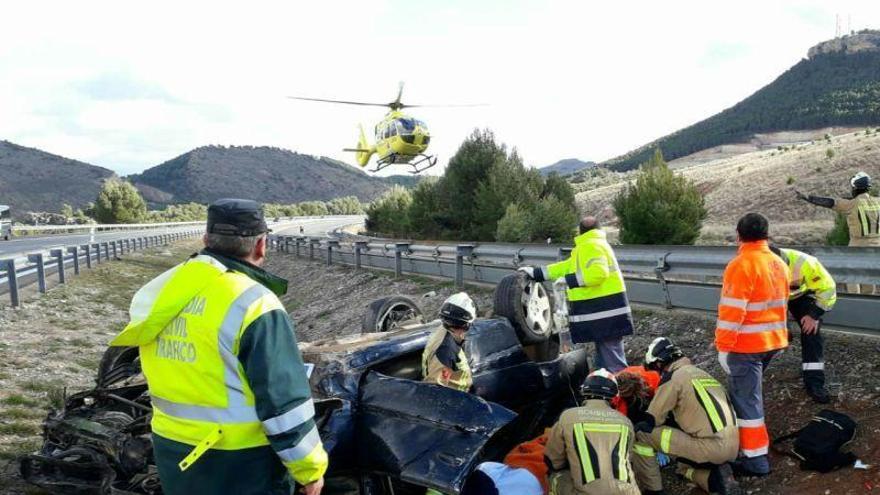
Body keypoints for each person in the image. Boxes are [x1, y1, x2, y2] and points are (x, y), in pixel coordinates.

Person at [110, 199, 327, 495]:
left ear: (206, 239)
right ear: (261, 245)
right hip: (239, 463)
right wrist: (310, 470)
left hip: (172, 450)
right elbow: (284, 404)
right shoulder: (255, 303)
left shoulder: (167, 289)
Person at [715, 212, 789, 477]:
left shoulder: (741, 264)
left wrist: (723, 346)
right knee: (750, 396)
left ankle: (755, 460)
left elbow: (732, 311)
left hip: (746, 346)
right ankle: (752, 447)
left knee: (747, 403)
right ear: (767, 234)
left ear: (738, 235)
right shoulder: (778, 263)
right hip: (772, 342)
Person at [519, 216, 634, 372]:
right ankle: (609, 390)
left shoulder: (591, 245)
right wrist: (538, 273)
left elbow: (598, 273)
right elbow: (567, 267)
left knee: (614, 363)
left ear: (580, 231)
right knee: (606, 358)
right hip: (604, 313)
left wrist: (568, 281)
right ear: (599, 229)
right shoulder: (590, 245)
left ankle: (625, 390)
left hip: (605, 311)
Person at [631, 338, 740, 495]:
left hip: (710, 448)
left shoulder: (673, 378)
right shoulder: (703, 374)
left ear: (660, 364)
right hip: (732, 447)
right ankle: (717, 479)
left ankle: (653, 489)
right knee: (682, 467)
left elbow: (653, 419)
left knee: (642, 434)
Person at [544, 369, 640, 495]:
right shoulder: (625, 421)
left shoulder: (568, 417)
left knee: (555, 477)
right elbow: (629, 457)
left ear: (584, 391)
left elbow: (553, 459)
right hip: (629, 492)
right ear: (614, 396)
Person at [770, 246, 837, 403]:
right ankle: (754, 376)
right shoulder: (758, 264)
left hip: (801, 296)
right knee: (771, 333)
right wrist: (781, 326)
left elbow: (828, 289)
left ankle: (814, 383)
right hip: (775, 299)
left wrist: (813, 315)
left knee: (811, 331)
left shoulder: (806, 262)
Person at [797, 171, 879, 293]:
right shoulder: (878, 201)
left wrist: (808, 198)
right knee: (869, 275)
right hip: (877, 246)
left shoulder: (851, 204)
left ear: (855, 188)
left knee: (851, 275)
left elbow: (830, 202)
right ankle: (869, 299)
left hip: (857, 245)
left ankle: (855, 300)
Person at [422, 292, 477, 391]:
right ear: (465, 325)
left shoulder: (443, 330)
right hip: (457, 398)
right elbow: (438, 391)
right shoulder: (445, 351)